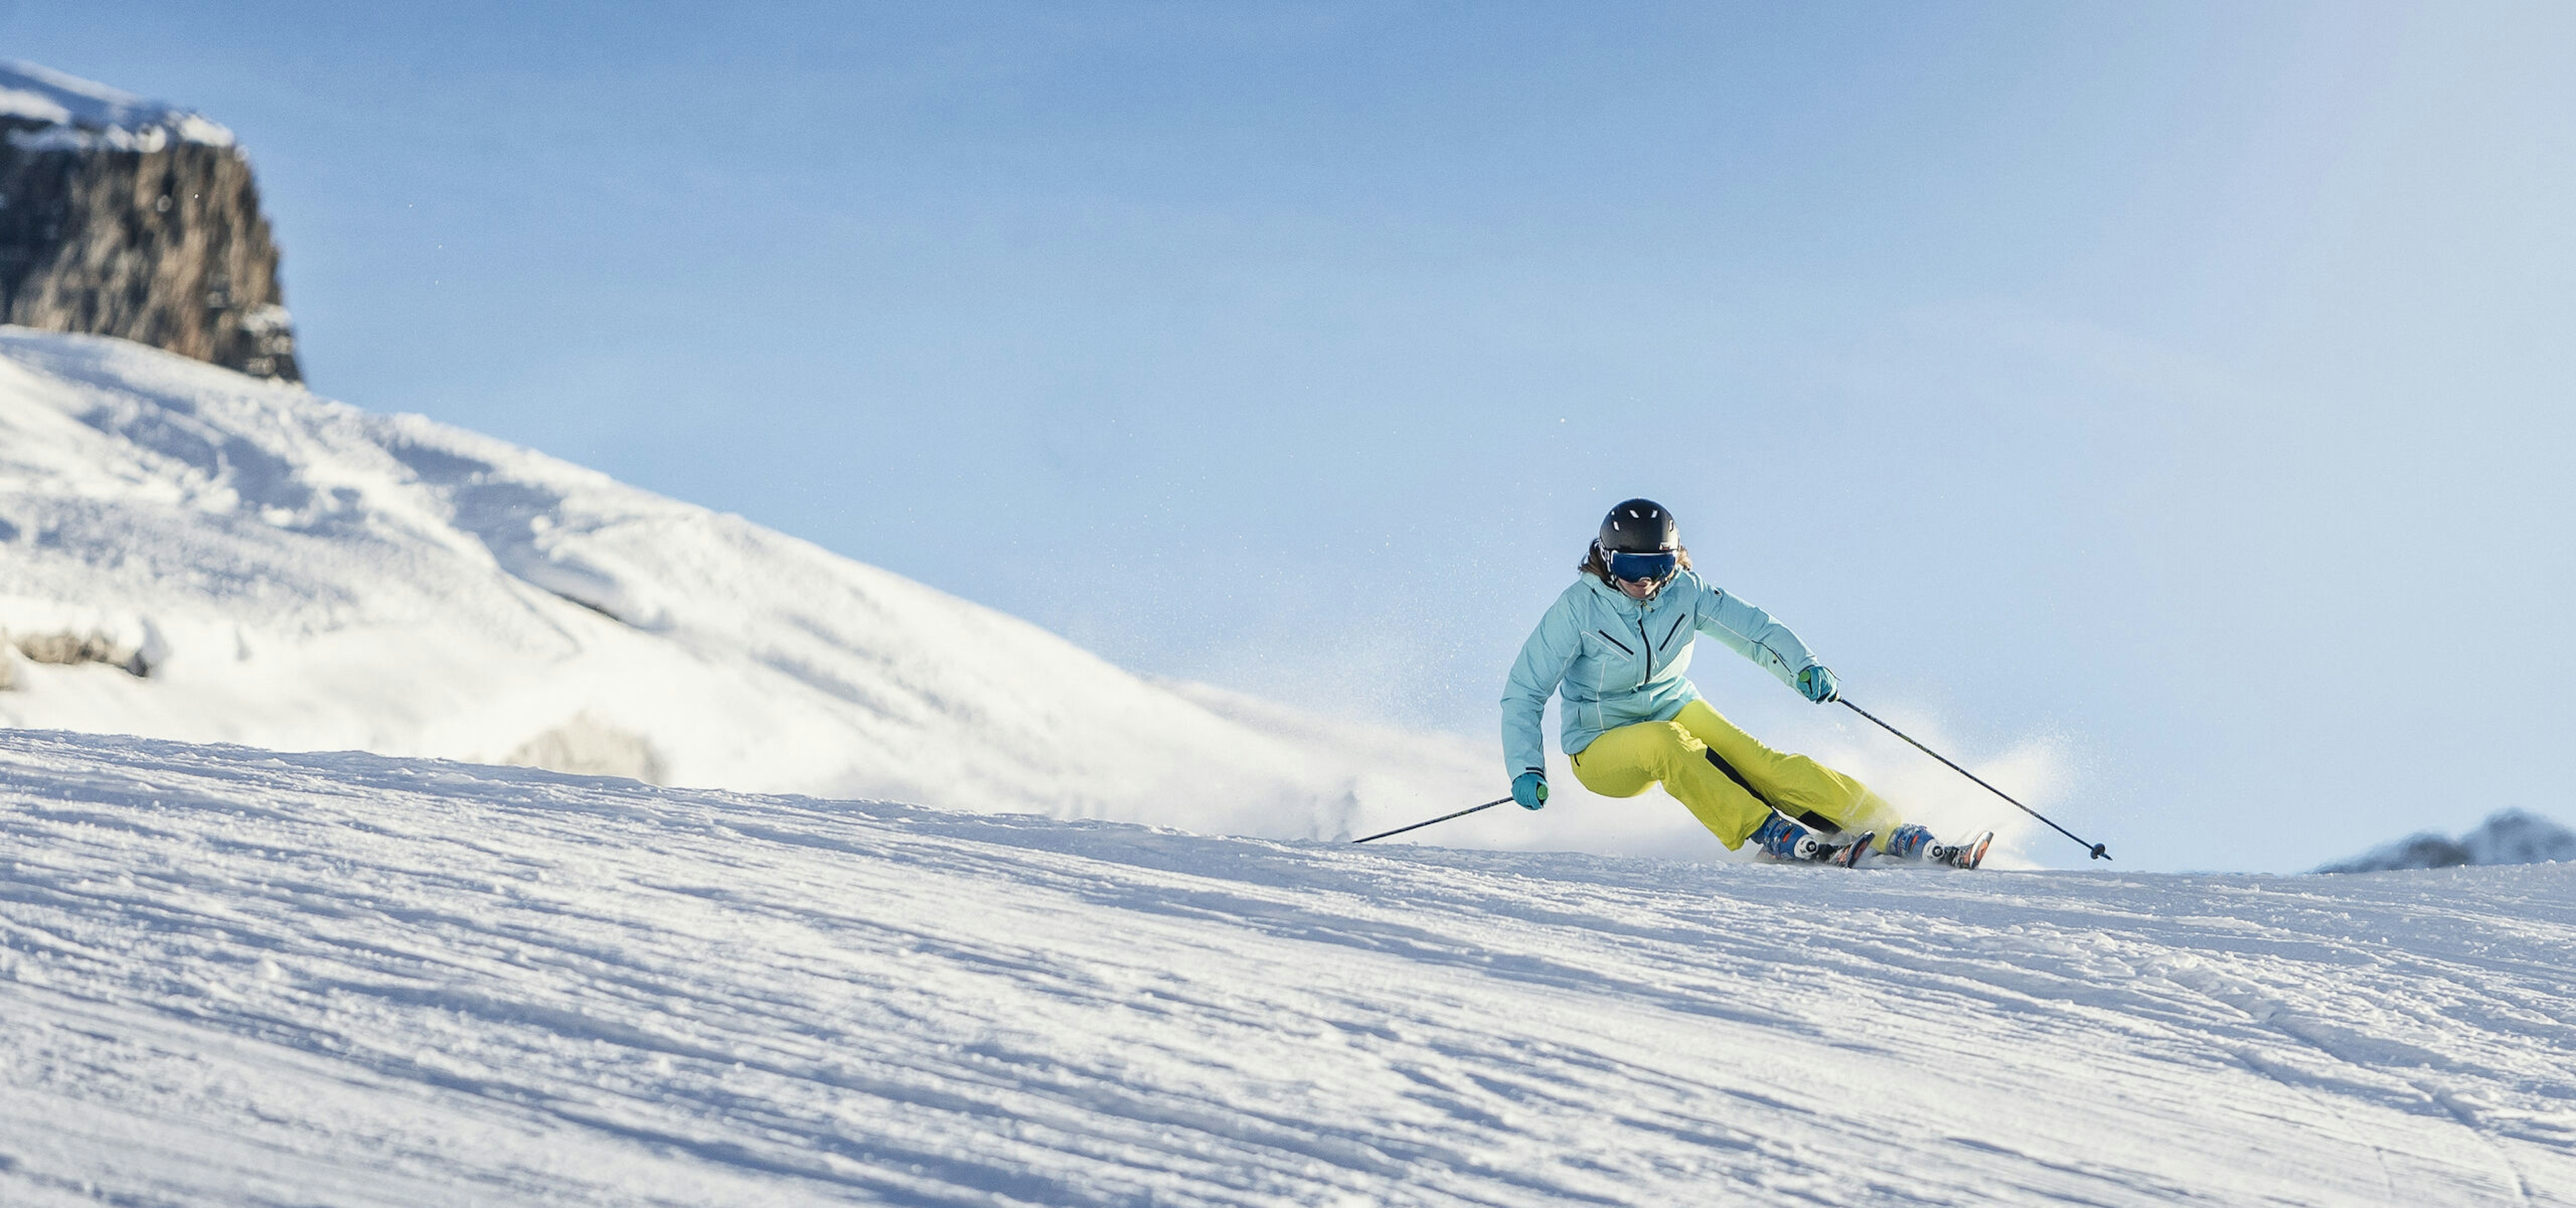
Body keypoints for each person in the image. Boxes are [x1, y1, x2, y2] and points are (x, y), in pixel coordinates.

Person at [1501, 499, 1969, 864]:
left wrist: (1802, 666)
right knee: (1665, 742)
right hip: (1600, 742)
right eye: (1629, 569)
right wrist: (1527, 769)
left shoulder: (1686, 591)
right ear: (1607, 560)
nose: (1644, 582)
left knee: (1763, 765)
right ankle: (1767, 830)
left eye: (1657, 568)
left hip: (1671, 704)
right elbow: (1525, 690)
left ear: (1672, 563)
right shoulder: (1578, 610)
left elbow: (1753, 631)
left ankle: (1891, 829)